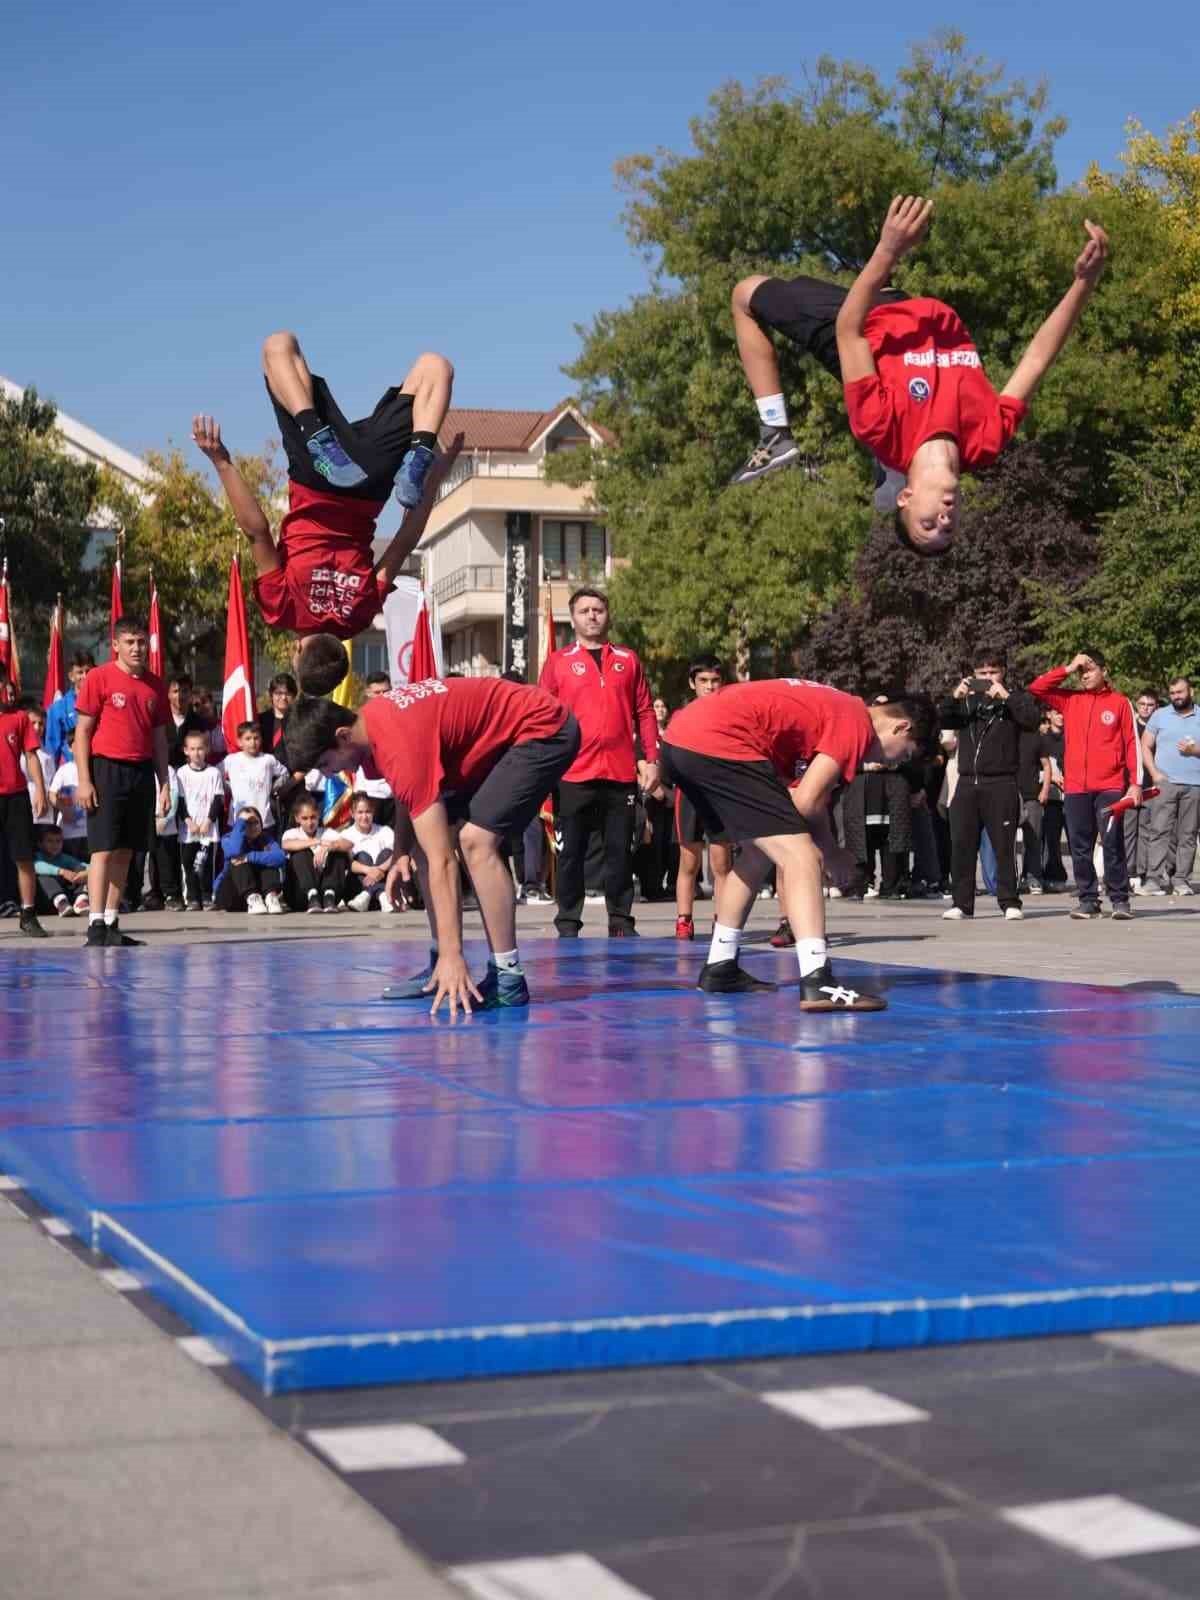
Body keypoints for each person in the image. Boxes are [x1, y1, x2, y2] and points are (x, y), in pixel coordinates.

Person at [729, 196, 1110, 554]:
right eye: (949, 528)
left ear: (907, 499)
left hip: (859, 326)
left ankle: (775, 431)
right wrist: (1084, 283)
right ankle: (888, 470)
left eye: (929, 524)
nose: (944, 519)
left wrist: (889, 249)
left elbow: (850, 331)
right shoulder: (987, 440)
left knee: (745, 295)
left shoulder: (880, 428)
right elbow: (1038, 359)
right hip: (908, 310)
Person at [284, 677, 581, 1014]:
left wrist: (458, 955)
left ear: (342, 736)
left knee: (474, 841)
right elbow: (408, 796)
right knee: (422, 847)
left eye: (325, 764)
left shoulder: (396, 743)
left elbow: (443, 862)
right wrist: (399, 854)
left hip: (544, 729)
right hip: (494, 740)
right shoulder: (370, 725)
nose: (330, 772)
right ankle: (440, 959)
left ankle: (508, 978)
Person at [662, 680, 933, 1009]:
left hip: (683, 742)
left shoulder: (832, 711)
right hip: (716, 742)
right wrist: (831, 853)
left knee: (758, 853)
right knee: (802, 856)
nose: (893, 763)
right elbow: (806, 802)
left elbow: (800, 801)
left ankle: (720, 965)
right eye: (903, 753)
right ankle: (817, 978)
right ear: (901, 726)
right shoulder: (856, 722)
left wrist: (827, 845)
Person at [191, 360, 459, 640]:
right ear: (296, 654)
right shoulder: (283, 610)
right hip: (315, 483)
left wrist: (433, 479)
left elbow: (404, 542)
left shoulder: (359, 617)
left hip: (370, 484)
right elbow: (256, 531)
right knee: (278, 347)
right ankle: (317, 436)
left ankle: (421, 450)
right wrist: (222, 463)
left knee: (435, 368)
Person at [539, 587, 658, 938]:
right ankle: (568, 923)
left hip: (620, 773)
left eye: (599, 609)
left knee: (620, 851)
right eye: (584, 610)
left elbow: (645, 711)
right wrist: (544, 764)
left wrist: (651, 758)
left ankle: (621, 921)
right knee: (571, 853)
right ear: (572, 618)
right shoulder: (558, 662)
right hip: (573, 772)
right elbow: (543, 715)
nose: (592, 616)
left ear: (608, 615)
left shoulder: (628, 659)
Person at [74, 616, 171, 947]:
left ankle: (113, 921)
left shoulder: (156, 685)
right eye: (129, 642)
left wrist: (165, 783)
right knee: (102, 849)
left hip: (141, 772)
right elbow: (82, 733)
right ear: (115, 645)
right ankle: (95, 923)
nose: (136, 648)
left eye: (141, 641)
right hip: (106, 770)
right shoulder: (99, 678)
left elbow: (159, 741)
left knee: (128, 851)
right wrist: (85, 780)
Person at [1030, 650, 1141, 920]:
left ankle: (1119, 899)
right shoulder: (1070, 700)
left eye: (1090, 669)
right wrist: (1069, 667)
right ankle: (1088, 899)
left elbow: (1131, 744)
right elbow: (1037, 687)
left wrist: (1135, 783)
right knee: (1080, 845)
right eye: (1082, 672)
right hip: (1077, 786)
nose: (1085, 675)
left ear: (1105, 670)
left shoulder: (1120, 703)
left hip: (1111, 786)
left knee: (1112, 842)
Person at [938, 652, 1043, 921]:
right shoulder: (967, 703)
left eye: (992, 672)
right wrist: (955, 696)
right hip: (966, 782)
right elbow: (944, 719)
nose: (987, 678)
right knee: (961, 845)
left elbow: (1031, 720)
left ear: (1003, 672)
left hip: (1001, 782)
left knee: (1003, 846)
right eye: (981, 674)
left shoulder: (1014, 700)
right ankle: (962, 903)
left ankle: (1010, 901)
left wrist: (1006, 696)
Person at [674, 656, 733, 940]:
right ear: (692, 683)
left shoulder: (731, 715)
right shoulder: (681, 716)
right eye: (703, 681)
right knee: (689, 862)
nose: (709, 686)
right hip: (688, 795)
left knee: (721, 864)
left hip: (720, 795)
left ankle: (721, 921)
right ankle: (684, 920)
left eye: (715, 681)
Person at [1140, 677, 1200, 897]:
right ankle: (1153, 880)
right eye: (1173, 693)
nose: (1176, 696)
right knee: (1159, 831)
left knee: (1188, 835)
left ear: (1190, 691)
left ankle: (1181, 880)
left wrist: (1195, 751)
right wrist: (1155, 773)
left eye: (1180, 692)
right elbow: (1145, 745)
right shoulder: (1160, 715)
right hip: (1166, 783)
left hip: (1195, 785)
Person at [0, 695, 50, 937]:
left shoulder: (19, 719)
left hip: (16, 797)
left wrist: (40, 788)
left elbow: (31, 756)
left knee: (24, 857)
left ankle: (28, 914)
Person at [176, 729, 225, 909]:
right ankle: (192, 898)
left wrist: (208, 822)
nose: (197, 753)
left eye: (200, 749)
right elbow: (179, 801)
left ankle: (206, 896)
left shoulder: (213, 773)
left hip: (208, 831)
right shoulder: (181, 773)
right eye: (193, 749)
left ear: (207, 749)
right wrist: (188, 820)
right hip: (189, 830)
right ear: (186, 750)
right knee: (188, 864)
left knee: (205, 865)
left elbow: (217, 800)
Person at [281, 794, 353, 912]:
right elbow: (286, 844)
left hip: (325, 894)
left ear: (319, 815)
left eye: (313, 817)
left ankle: (329, 895)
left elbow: (348, 844)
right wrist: (317, 842)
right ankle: (312, 895)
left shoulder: (327, 832)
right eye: (305, 818)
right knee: (300, 852)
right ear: (297, 818)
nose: (310, 822)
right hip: (300, 894)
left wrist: (329, 847)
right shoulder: (291, 833)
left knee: (338, 852)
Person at [212, 807, 286, 913]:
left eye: (255, 822)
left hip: (259, 895)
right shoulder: (227, 838)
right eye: (246, 823)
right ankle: (253, 898)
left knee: (269, 861)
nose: (251, 827)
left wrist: (249, 857)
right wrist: (241, 822)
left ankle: (271, 897)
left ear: (261, 824)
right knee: (237, 860)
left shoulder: (267, 839)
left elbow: (280, 857)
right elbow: (234, 851)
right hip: (230, 893)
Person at [221, 722, 289, 834]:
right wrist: (229, 787)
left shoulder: (268, 760)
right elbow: (215, 774)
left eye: (256, 738)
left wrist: (274, 788)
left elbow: (285, 774)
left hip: (264, 820)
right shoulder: (231, 760)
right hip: (238, 819)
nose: (252, 742)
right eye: (248, 739)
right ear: (239, 741)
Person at [1017, 715, 1054, 895]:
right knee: (1005, 842)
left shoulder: (1036, 737)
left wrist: (1045, 790)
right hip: (1010, 795)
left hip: (1032, 796)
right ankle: (1016, 878)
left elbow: (1046, 766)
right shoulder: (1006, 734)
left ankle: (1033, 878)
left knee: (1033, 839)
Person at [1127, 690, 1161, 890]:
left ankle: (1142, 872)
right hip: (1130, 785)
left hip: (1151, 787)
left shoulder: (1159, 728)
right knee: (1128, 831)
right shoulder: (1130, 725)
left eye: (1150, 704)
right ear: (1136, 704)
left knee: (1147, 831)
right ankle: (1129, 872)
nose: (1146, 708)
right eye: (1142, 704)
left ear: (1156, 706)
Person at [341, 792, 395, 911]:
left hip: (384, 887)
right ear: (352, 814)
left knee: (386, 853)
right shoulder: (345, 835)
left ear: (373, 812)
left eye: (368, 812)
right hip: (356, 891)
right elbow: (347, 864)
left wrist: (380, 868)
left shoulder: (385, 831)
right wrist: (370, 870)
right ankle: (380, 894)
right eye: (360, 812)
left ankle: (371, 894)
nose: (364, 816)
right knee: (363, 856)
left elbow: (397, 855)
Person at [44, 651, 94, 764]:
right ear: (71, 676)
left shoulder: (104, 703)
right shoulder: (57, 709)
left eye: (88, 671)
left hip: (100, 769)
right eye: (80, 672)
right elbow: (52, 749)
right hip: (71, 772)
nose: (85, 676)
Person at [48, 725, 89, 860]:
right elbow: (52, 794)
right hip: (69, 833)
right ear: (70, 748)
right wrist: (63, 809)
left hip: (90, 831)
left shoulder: (95, 769)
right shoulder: (64, 770)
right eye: (79, 743)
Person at [33, 824, 89, 917]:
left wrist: (90, 871)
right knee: (43, 876)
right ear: (40, 844)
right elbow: (36, 866)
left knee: (81, 870)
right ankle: (61, 902)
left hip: (68, 900)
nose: (55, 845)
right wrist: (62, 871)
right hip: (46, 900)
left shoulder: (64, 858)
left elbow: (81, 865)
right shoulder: (38, 856)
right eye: (50, 841)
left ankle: (81, 900)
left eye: (58, 841)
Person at [18, 701, 56, 826]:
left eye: (41, 724)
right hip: (25, 808)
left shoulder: (48, 753)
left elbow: (51, 782)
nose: (37, 727)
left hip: (47, 812)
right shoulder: (19, 752)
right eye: (33, 723)